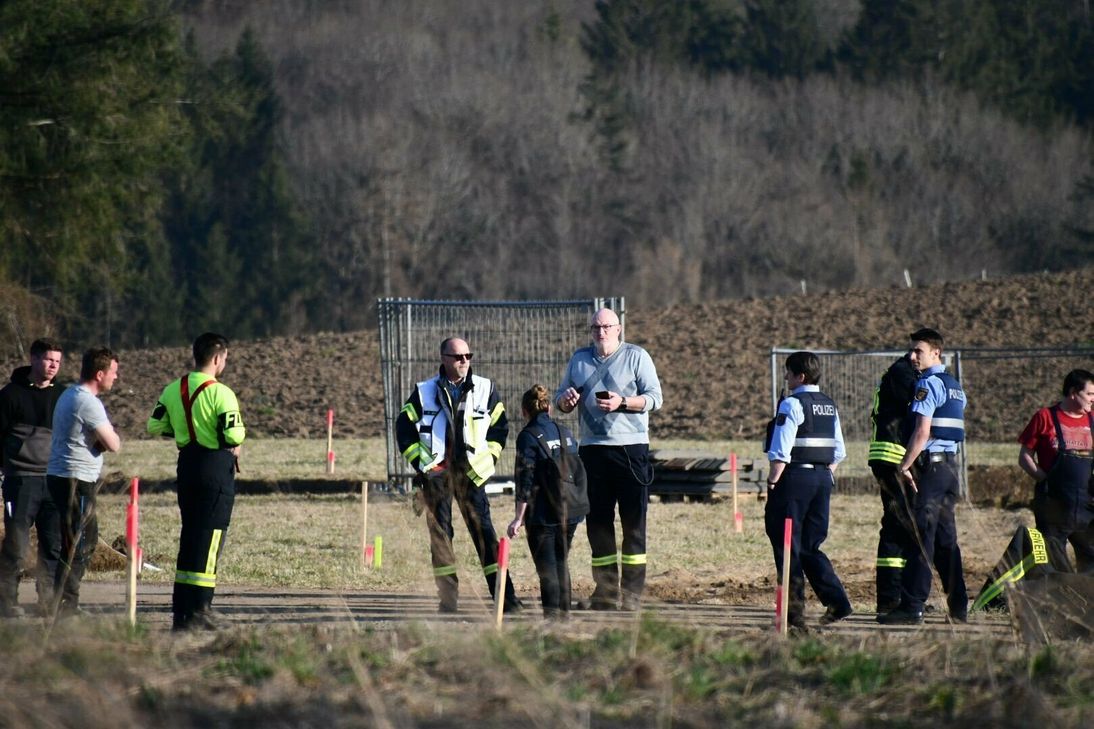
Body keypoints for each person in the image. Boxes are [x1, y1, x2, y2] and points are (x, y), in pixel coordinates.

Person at [395, 337, 521, 613]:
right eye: (458, 356)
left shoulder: (486, 389)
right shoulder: (423, 391)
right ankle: (448, 600)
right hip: (436, 475)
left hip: (471, 474)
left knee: (485, 536)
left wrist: (489, 458)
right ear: (443, 359)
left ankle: (506, 600)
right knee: (441, 538)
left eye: (468, 355)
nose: (464, 360)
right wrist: (422, 463)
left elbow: (500, 428)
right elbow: (403, 428)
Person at [555, 308, 662, 610]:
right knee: (598, 525)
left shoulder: (636, 357)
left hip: (630, 451)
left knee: (633, 526)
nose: (600, 332)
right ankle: (604, 593)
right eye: (595, 327)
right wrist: (565, 402)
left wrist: (623, 402)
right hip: (592, 451)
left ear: (619, 329)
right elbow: (561, 398)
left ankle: (631, 596)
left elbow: (656, 398)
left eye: (606, 327)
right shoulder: (579, 359)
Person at [147, 333, 246, 631]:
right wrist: (231, 442)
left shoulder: (172, 389)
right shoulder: (222, 393)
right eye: (225, 359)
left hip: (186, 466)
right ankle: (203, 609)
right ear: (217, 358)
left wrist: (182, 432)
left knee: (189, 538)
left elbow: (154, 425)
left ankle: (182, 613)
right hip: (215, 467)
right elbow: (234, 435)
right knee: (210, 540)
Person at [880, 328, 969, 625]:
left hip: (930, 469)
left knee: (922, 538)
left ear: (936, 353)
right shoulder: (955, 385)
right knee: (946, 542)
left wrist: (905, 466)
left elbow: (922, 432)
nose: (912, 356)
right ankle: (959, 607)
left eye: (918, 351)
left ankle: (912, 605)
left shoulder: (928, 385)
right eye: (912, 351)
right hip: (949, 470)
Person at [764, 351, 853, 631]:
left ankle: (793, 617)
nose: (787, 378)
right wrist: (824, 474)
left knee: (787, 546)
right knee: (811, 546)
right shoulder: (829, 404)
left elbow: (781, 449)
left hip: (793, 481)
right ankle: (837, 602)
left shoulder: (791, 404)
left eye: (789, 373)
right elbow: (839, 451)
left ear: (800, 376)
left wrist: (773, 481)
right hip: (822, 480)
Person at [46, 347, 121, 617]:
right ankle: (65, 604)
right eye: (113, 372)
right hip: (75, 479)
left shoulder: (69, 394)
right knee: (81, 543)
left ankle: (59, 601)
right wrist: (108, 436)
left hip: (64, 476)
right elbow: (114, 443)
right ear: (99, 374)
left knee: (75, 541)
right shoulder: (88, 402)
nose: (116, 377)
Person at [507, 385, 589, 620]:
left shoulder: (527, 437)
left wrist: (518, 517)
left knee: (547, 569)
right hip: (570, 511)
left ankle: (553, 619)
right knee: (561, 561)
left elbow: (525, 478)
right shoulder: (566, 433)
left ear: (524, 411)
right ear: (549, 408)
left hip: (543, 515)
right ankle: (564, 615)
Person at [0, 339, 66, 617]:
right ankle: (7, 601)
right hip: (21, 479)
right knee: (17, 542)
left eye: (58, 362)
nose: (53, 366)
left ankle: (47, 599)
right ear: (34, 359)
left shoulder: (63, 396)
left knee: (53, 542)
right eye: (49, 360)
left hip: (53, 480)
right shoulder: (10, 395)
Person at [1016, 369, 1094, 572]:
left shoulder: (1092, 419)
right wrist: (1043, 478)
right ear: (1073, 392)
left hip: (1087, 507)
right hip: (1054, 506)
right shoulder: (1045, 417)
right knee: (1054, 564)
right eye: (1090, 394)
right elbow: (1025, 456)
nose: (1093, 399)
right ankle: (1059, 602)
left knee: (1091, 562)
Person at [867, 353, 919, 613]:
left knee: (901, 526)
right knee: (897, 526)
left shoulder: (899, 372)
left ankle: (902, 597)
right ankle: (891, 598)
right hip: (894, 455)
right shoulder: (904, 373)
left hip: (891, 455)